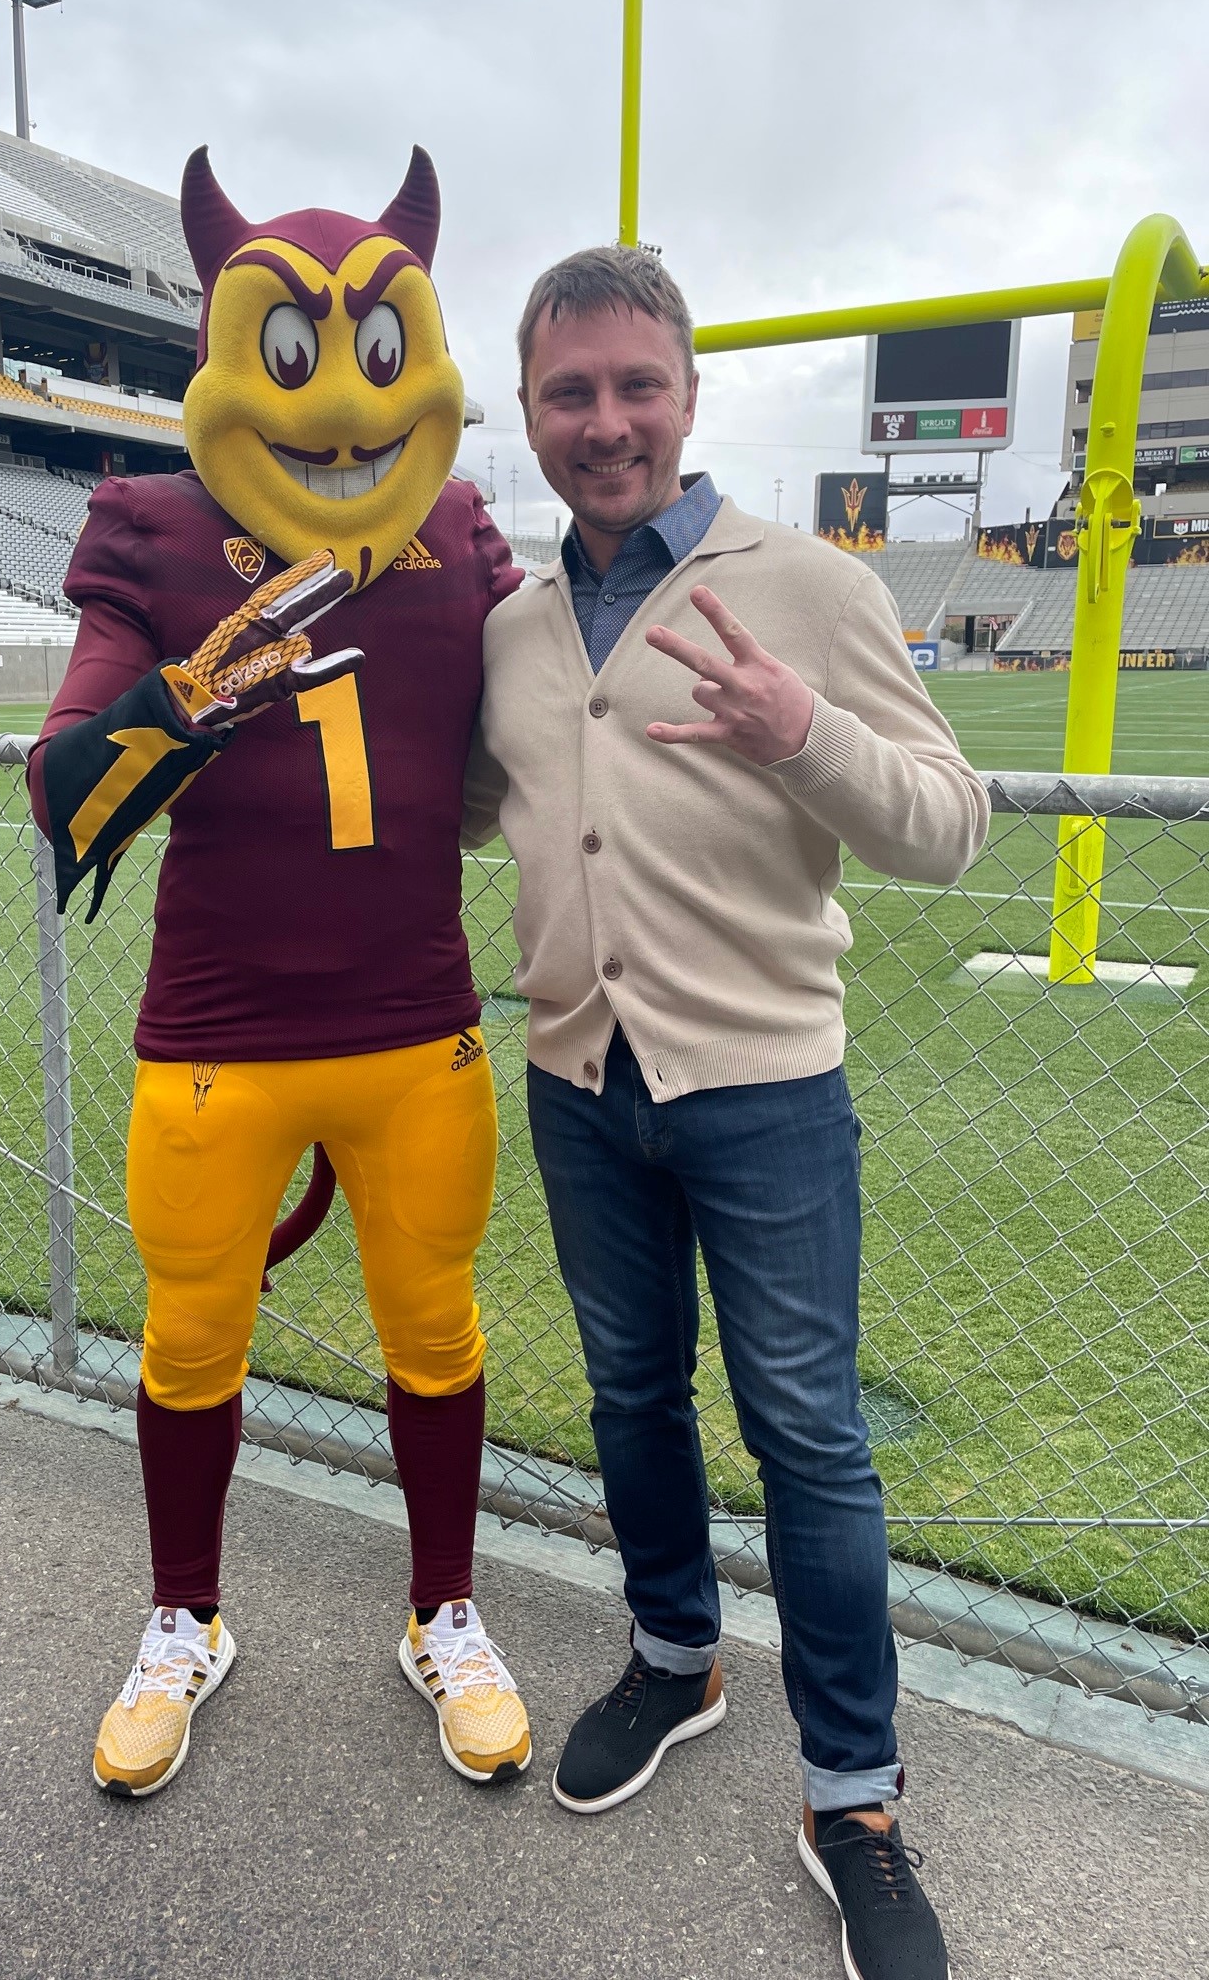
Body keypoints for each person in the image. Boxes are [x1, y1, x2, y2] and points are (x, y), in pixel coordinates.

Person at [464, 245, 987, 1980]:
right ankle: (675, 1658)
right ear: (528, 409)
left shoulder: (810, 587)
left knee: (810, 1442)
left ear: (689, 396)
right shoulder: (513, 627)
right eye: (570, 392)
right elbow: (477, 806)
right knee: (631, 1394)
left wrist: (801, 730)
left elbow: (949, 825)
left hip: (766, 1094)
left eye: (637, 385)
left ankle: (855, 1802)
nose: (605, 421)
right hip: (577, 1083)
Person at [30, 146, 531, 1800]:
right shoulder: (157, 526)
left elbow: (558, 706)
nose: (340, 408)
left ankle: (444, 1611)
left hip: (413, 1027)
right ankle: (185, 1619)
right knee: (190, 1344)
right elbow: (61, 788)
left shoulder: (457, 527)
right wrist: (186, 697)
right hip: (220, 1037)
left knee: (435, 1330)